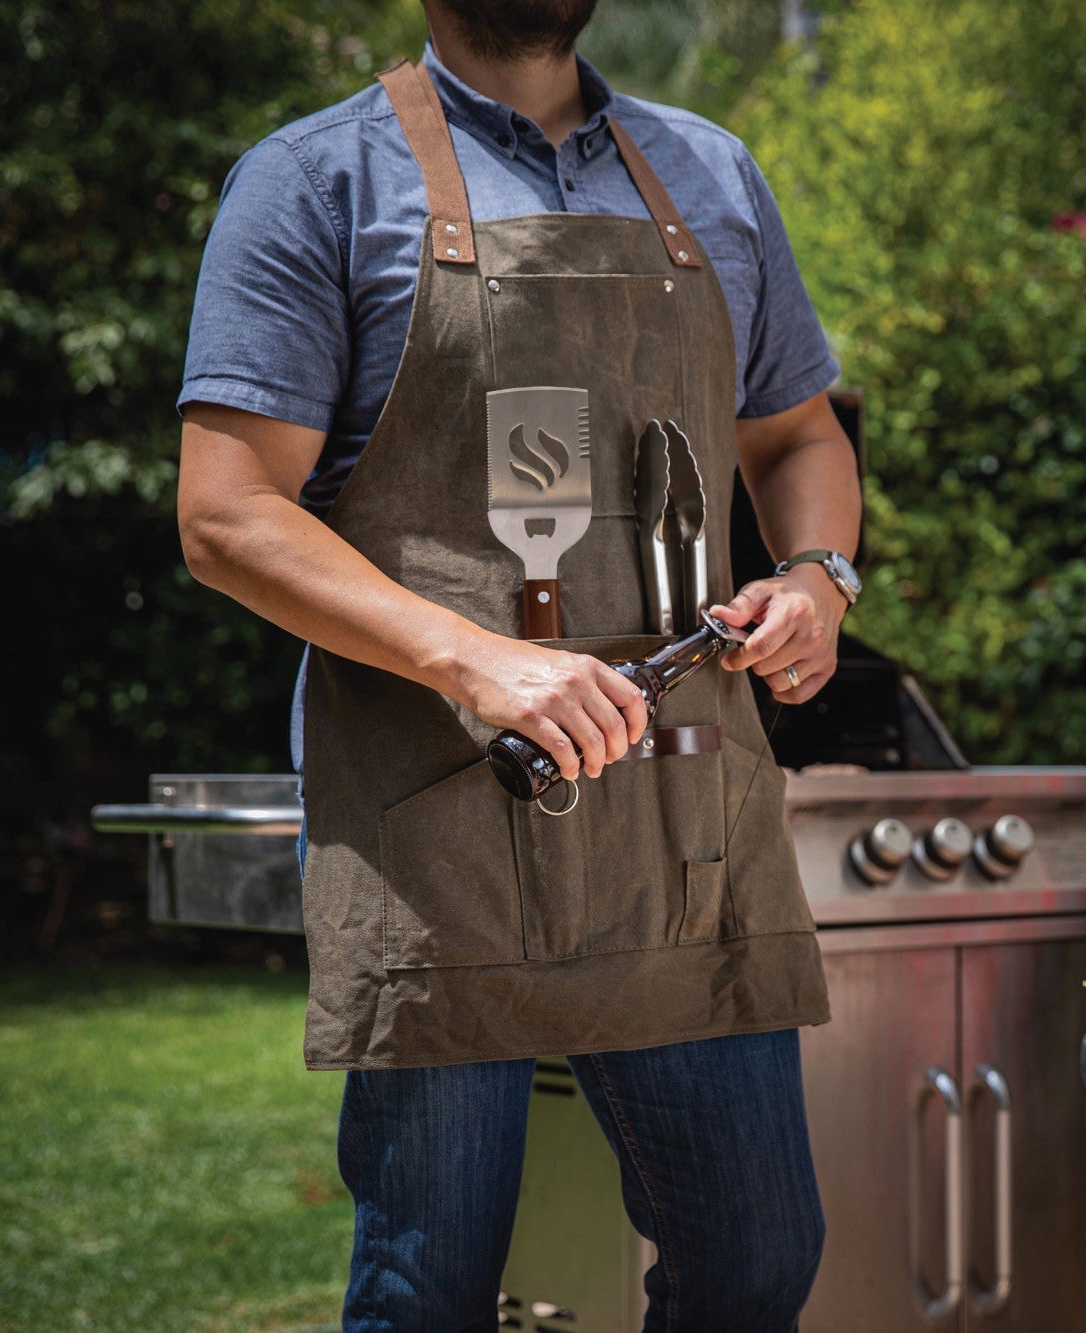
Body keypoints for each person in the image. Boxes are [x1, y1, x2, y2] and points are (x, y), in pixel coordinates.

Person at [175, 0, 861, 1326]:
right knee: (429, 1285)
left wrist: (818, 576)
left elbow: (798, 439)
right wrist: (476, 660)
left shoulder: (713, 172)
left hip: (683, 819)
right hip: (441, 821)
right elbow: (227, 513)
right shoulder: (316, 179)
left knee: (758, 1259)